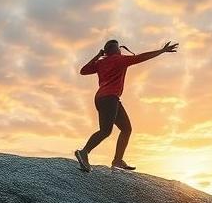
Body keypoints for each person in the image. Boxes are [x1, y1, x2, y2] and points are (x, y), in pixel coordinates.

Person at [74, 38, 179, 172]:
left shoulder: (101, 63)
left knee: (126, 128)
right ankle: (84, 152)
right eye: (119, 48)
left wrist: (98, 56)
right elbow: (142, 57)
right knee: (106, 131)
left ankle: (117, 160)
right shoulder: (120, 59)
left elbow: (83, 70)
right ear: (115, 50)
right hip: (109, 98)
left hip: (104, 98)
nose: (121, 50)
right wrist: (162, 51)